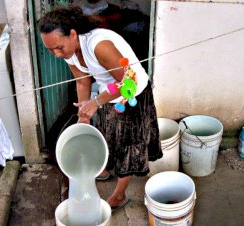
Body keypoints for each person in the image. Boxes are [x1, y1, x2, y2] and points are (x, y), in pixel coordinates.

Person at [38, 6, 162, 210]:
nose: (56, 54)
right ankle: (102, 167)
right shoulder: (70, 51)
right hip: (109, 93)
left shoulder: (99, 45)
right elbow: (83, 82)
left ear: (73, 34)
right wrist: (83, 115)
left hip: (132, 94)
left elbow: (128, 82)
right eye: (50, 49)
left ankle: (119, 196)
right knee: (107, 134)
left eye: (59, 47)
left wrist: (96, 102)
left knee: (128, 145)